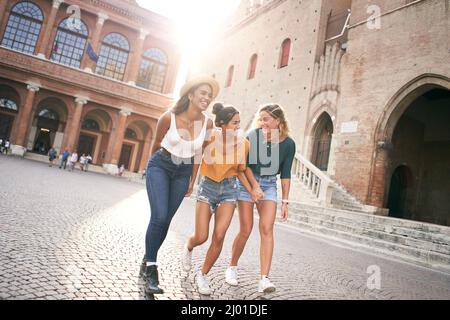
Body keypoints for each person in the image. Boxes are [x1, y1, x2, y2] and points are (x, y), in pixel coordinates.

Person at [140, 75, 219, 295]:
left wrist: (192, 181)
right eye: (202, 93)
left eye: (209, 95)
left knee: (165, 220)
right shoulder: (169, 117)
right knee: (159, 215)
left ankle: (147, 258)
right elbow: (156, 144)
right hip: (161, 165)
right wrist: (151, 170)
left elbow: (199, 153)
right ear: (191, 95)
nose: (207, 97)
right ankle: (152, 269)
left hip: (183, 172)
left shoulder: (208, 124)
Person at [180, 103, 262, 295]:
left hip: (229, 190)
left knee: (219, 235)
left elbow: (240, 171)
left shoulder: (244, 144)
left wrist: (252, 190)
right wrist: (192, 183)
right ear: (223, 124)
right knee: (201, 236)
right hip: (207, 187)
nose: (238, 127)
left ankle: (203, 275)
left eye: (239, 123)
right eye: (235, 123)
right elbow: (197, 159)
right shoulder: (210, 136)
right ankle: (189, 245)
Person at [225, 104, 296, 294]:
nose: (262, 122)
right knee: (246, 229)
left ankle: (264, 278)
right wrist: (254, 187)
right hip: (248, 182)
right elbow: (244, 166)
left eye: (266, 119)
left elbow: (286, 174)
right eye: (261, 119)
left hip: (270, 185)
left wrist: (285, 202)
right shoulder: (253, 136)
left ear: (278, 121)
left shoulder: (288, 144)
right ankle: (232, 267)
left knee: (267, 229)